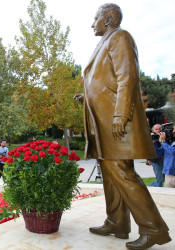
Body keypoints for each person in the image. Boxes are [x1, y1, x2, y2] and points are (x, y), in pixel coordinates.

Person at [74, 4, 171, 249]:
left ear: (107, 19)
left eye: (95, 18)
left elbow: (128, 75)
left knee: (122, 172)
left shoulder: (120, 37)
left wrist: (120, 115)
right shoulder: (105, 41)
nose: (92, 23)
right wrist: (87, 97)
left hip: (116, 121)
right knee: (109, 171)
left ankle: (154, 228)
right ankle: (117, 222)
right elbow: (106, 82)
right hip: (103, 121)